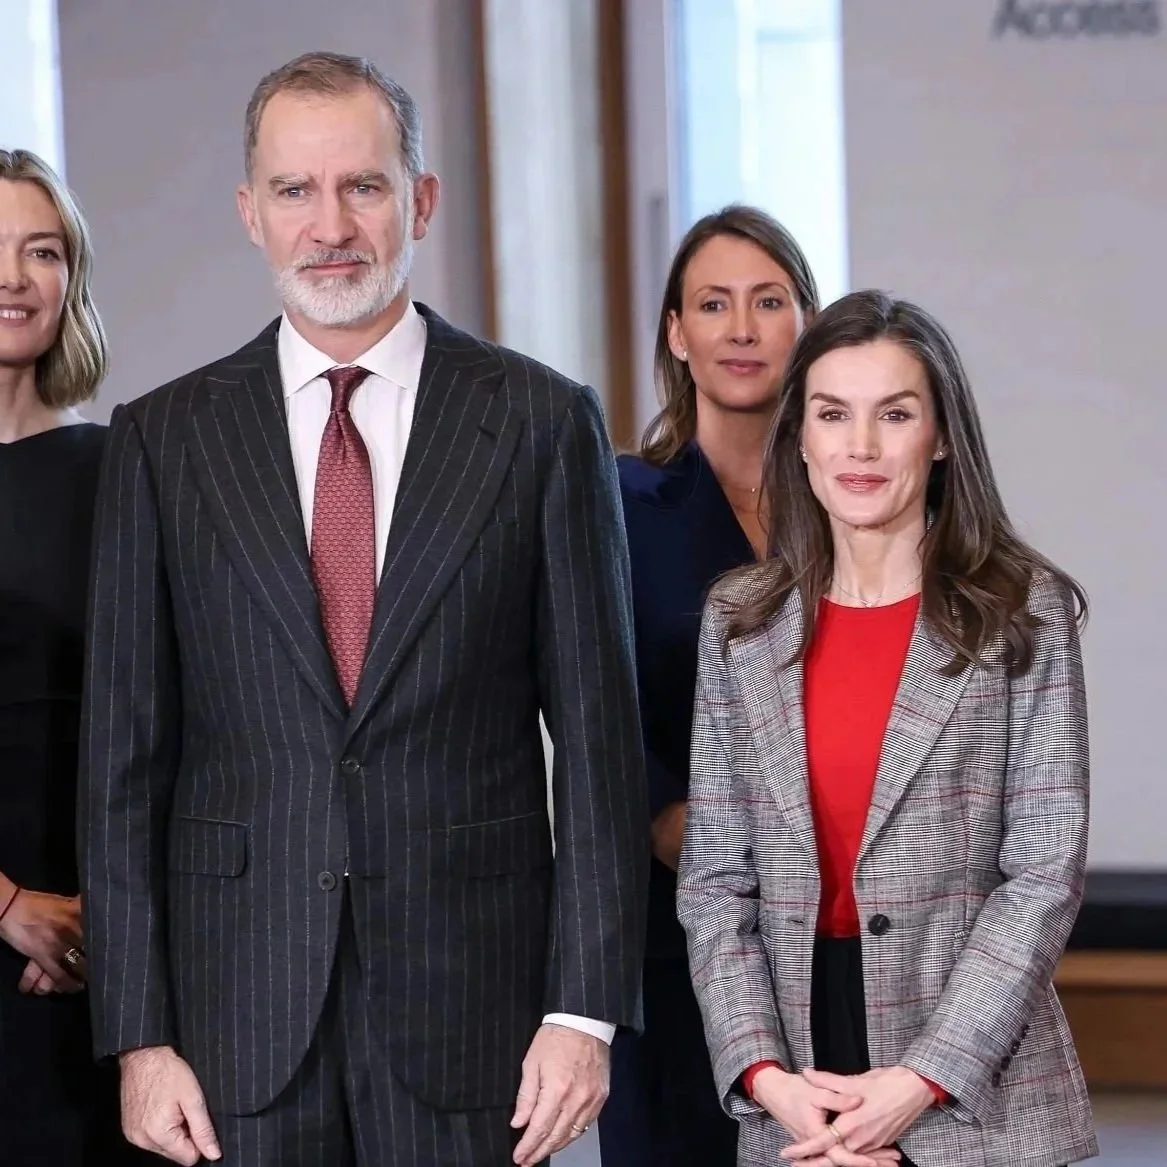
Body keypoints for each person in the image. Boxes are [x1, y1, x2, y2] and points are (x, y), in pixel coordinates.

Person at [78, 51, 648, 1167]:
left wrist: (582, 1013)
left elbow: (598, 745)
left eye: (365, 186)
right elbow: (122, 767)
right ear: (251, 212)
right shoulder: (162, 441)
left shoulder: (541, 424)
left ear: (420, 200)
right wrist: (138, 1036)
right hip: (232, 1022)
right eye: (296, 190)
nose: (329, 223)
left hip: (473, 1016)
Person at [676, 290, 1098, 1167]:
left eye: (893, 414)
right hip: (795, 1091)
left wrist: (923, 1076)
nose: (859, 447)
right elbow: (715, 880)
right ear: (800, 435)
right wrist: (764, 1075)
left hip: (973, 1089)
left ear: (939, 437)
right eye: (833, 414)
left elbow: (1042, 871)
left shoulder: (1021, 613)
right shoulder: (738, 623)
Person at [598, 206, 818, 1167]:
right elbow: (583, 692)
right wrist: (661, 815)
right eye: (713, 304)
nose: (740, 328)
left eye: (768, 301)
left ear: (806, 324)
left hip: (844, 916)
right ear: (676, 336)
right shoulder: (615, 500)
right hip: (673, 910)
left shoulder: (860, 492)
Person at [0, 149, 150, 1163]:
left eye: (40, 251)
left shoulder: (126, 472)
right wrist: (10, 910)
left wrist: (109, 924)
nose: (14, 277)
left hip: (100, 966)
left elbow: (159, 719)